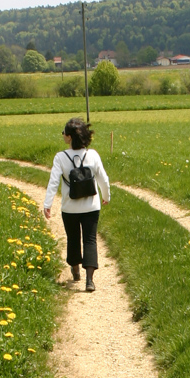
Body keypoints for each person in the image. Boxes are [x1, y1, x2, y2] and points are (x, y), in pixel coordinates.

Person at [44, 117, 110, 292]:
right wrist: (106, 196)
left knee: (73, 239)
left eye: (64, 133)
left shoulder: (60, 157)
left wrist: (47, 203)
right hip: (92, 206)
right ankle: (89, 280)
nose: (63, 135)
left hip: (69, 208)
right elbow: (103, 178)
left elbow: (53, 182)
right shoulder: (93, 155)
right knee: (90, 239)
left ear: (70, 137)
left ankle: (75, 271)